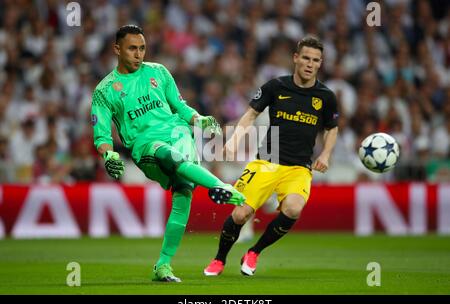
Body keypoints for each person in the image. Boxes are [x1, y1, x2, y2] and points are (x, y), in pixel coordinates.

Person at [91, 25, 245, 283]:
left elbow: (180, 106)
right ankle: (222, 188)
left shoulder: (159, 72)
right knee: (168, 157)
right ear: (117, 49)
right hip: (145, 146)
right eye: (132, 48)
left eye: (142, 48)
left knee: (183, 192)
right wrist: (108, 156)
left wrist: (200, 119)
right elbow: (102, 136)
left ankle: (162, 266)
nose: (138, 54)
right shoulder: (105, 91)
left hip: (179, 134)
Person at [204, 36, 339, 276]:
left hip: (299, 167)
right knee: (240, 213)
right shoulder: (276, 86)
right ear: (296, 58)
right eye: (306, 58)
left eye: (316, 60)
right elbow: (250, 114)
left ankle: (254, 253)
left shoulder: (326, 97)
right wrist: (234, 140)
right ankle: (219, 259)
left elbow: (331, 127)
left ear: (320, 64)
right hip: (267, 160)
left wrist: (326, 154)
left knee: (293, 209)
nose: (310, 64)